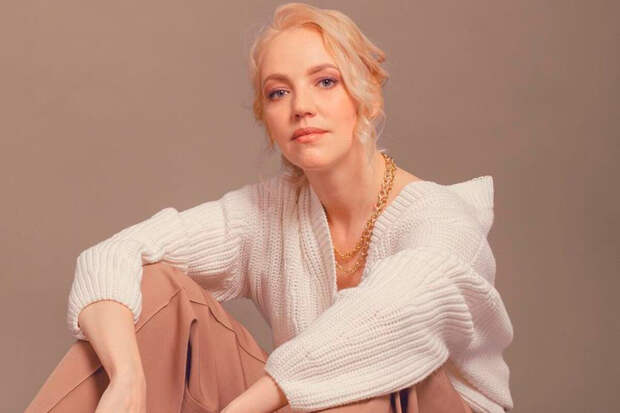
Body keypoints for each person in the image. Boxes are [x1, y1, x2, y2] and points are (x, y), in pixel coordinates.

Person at [26, 3, 514, 413]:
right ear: (268, 119)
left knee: (376, 382)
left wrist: (245, 407)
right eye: (279, 92)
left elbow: (388, 320)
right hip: (299, 405)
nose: (301, 106)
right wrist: (128, 376)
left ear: (368, 96)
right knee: (153, 287)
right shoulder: (268, 214)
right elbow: (112, 256)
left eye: (325, 82)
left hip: (415, 402)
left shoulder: (442, 219)